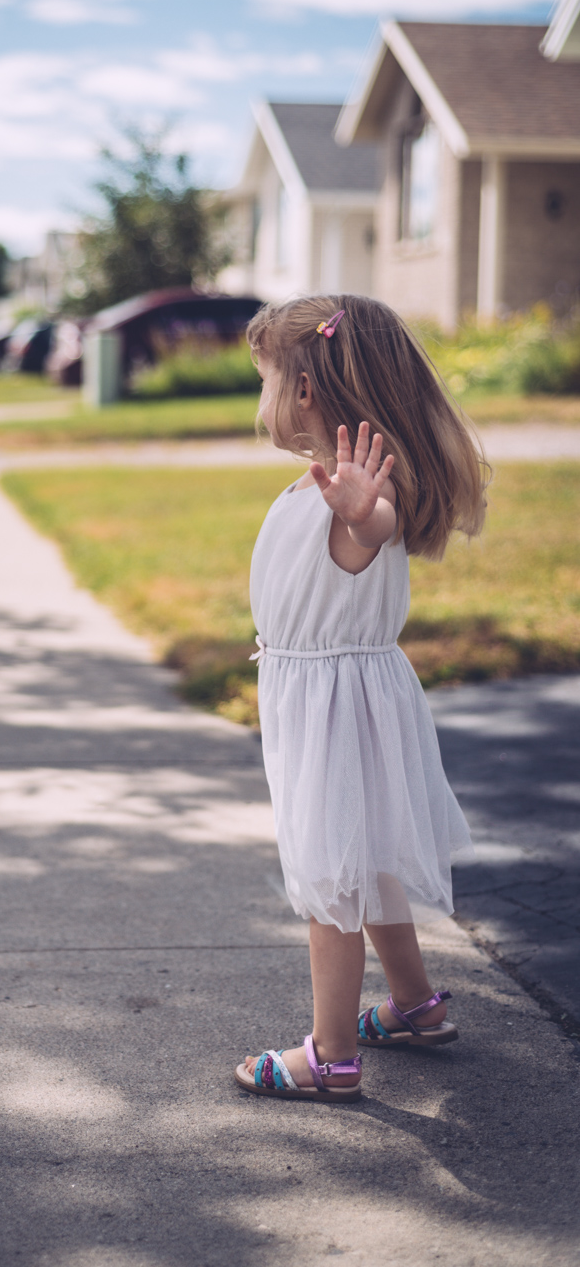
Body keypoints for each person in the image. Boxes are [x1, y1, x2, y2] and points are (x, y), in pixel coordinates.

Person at [234, 293, 488, 1104]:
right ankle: (414, 1006)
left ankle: (332, 1053)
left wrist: (362, 515)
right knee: (365, 859)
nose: (261, 400)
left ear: (306, 392)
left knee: (329, 875)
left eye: (265, 379)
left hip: (334, 710)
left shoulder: (353, 497)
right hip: (343, 693)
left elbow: (369, 529)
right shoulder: (325, 487)